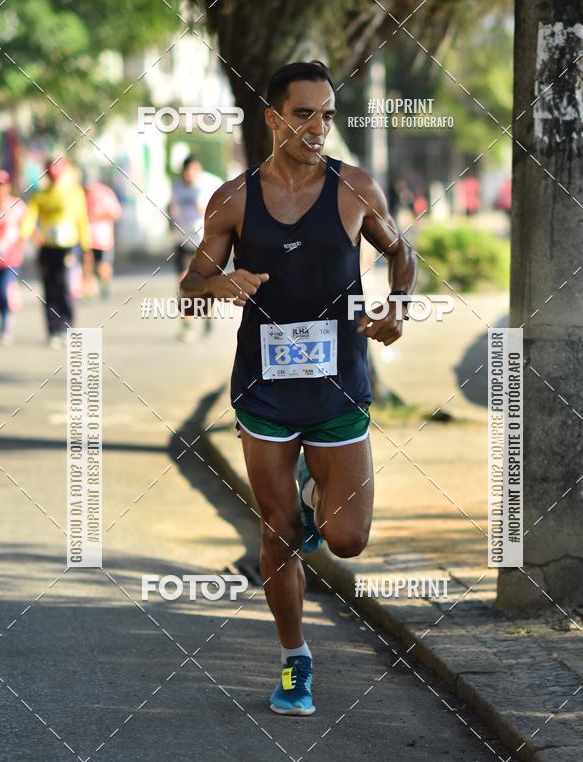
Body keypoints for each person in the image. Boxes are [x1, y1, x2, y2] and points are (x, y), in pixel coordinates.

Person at [179, 61, 417, 716]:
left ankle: (319, 494)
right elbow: (189, 289)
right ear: (273, 117)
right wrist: (217, 285)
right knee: (279, 531)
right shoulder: (233, 199)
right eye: (304, 113)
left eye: (328, 115)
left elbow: (403, 254)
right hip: (264, 391)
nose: (318, 128)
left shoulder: (355, 188)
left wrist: (398, 305)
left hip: (339, 384)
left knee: (348, 541)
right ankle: (294, 661)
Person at [20, 158, 92, 347]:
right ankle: (53, 330)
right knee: (49, 289)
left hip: (68, 247)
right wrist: (23, 234)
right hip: (47, 249)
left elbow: (81, 220)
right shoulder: (40, 195)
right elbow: (30, 219)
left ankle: (67, 328)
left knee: (65, 287)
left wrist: (86, 246)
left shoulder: (73, 192)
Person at [170, 155, 222, 340]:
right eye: (186, 172)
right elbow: (173, 206)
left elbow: (225, 203)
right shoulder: (176, 185)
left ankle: (208, 313)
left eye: (192, 172)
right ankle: (187, 324)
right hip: (182, 241)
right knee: (183, 282)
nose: (188, 176)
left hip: (204, 241)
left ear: (198, 169)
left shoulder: (210, 183)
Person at [0, 170, 26, 345]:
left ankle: (7, 324)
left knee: (3, 290)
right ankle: (4, 316)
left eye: (2, 186)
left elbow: (23, 227)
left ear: (7, 186)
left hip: (11, 259)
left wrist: (17, 243)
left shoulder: (16, 205)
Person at [85, 180, 122, 300]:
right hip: (87, 237)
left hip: (103, 239)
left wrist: (99, 215)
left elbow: (116, 213)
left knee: (103, 265)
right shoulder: (82, 195)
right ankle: (89, 292)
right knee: (87, 264)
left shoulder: (106, 193)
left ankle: (104, 286)